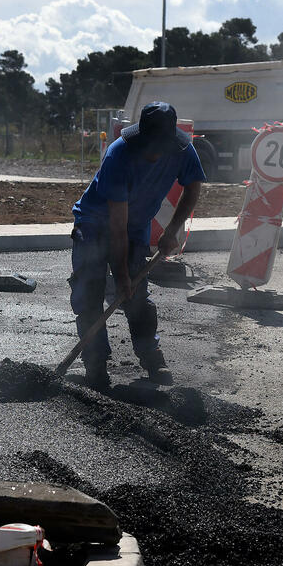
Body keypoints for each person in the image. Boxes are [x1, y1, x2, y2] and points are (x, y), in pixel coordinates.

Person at [70, 101, 204, 389]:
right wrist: (120, 276)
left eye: (160, 146)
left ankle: (151, 356)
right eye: (151, 145)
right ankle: (96, 365)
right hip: (94, 225)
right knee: (89, 294)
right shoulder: (119, 154)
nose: (155, 153)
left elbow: (193, 188)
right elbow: (116, 227)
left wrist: (171, 231)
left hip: (135, 228)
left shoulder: (183, 150)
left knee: (137, 298)